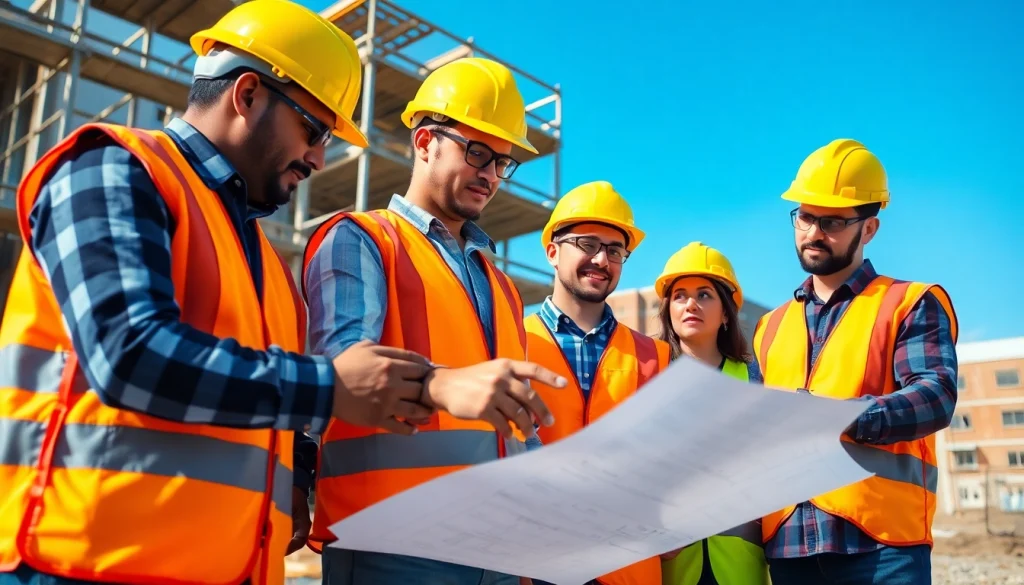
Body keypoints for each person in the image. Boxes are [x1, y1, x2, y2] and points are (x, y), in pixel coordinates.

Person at [0, 2, 442, 584]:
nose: (318, 157)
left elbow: (263, 412)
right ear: (249, 94)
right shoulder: (117, 167)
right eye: (314, 129)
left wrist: (301, 473)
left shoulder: (265, 261)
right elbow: (127, 352)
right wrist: (331, 386)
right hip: (81, 564)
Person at [301, 56, 565, 585]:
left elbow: (514, 420)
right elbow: (342, 368)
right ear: (425, 144)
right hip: (392, 546)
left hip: (499, 549)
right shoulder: (362, 240)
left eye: (502, 163)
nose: (491, 175)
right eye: (478, 153)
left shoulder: (503, 287)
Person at [751, 139, 959, 585]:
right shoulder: (769, 326)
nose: (813, 232)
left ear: (869, 229)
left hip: (881, 545)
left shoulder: (909, 302)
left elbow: (935, 396)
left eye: (832, 222)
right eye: (805, 217)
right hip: (788, 541)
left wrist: (836, 417)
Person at [521, 181, 672, 585]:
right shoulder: (512, 340)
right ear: (553, 252)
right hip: (537, 564)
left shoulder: (655, 355)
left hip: (627, 568)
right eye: (587, 244)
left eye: (615, 250)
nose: (601, 259)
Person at [652, 241, 770, 585]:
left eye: (705, 295)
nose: (691, 304)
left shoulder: (755, 379)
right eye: (680, 295)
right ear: (668, 311)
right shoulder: (646, 379)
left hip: (740, 563)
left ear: (725, 312)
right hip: (671, 565)